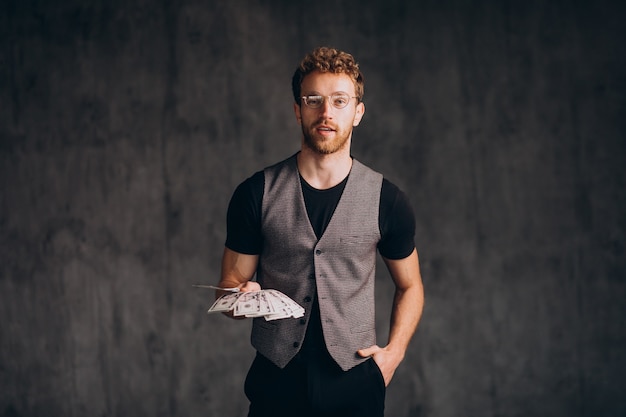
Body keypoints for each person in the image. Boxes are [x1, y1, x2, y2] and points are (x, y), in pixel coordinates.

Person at [216, 46, 424, 417]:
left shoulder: (387, 200)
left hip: (355, 383)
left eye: (339, 101)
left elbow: (410, 286)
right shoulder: (256, 193)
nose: (326, 113)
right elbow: (229, 286)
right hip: (275, 382)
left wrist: (393, 355)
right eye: (314, 100)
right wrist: (241, 296)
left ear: (357, 112)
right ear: (298, 109)